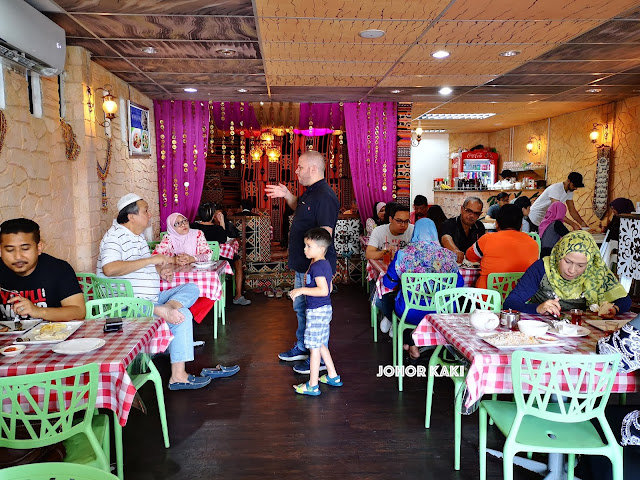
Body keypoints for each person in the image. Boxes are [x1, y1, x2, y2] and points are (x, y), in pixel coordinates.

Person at [97, 193, 239, 391]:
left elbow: (144, 266)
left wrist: (160, 271)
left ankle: (168, 309)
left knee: (192, 288)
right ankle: (178, 375)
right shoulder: (115, 236)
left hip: (151, 298)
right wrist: (151, 261)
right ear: (131, 216)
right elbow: (109, 269)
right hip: (129, 304)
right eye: (145, 210)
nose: (150, 214)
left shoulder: (136, 237)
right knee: (184, 314)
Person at [266, 151, 340, 375]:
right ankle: (304, 347)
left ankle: (316, 357)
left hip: (314, 267)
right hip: (304, 263)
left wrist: (314, 270)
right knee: (301, 308)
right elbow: (298, 205)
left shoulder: (325, 196)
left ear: (313, 169)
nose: (296, 171)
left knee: (315, 312)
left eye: (299, 167)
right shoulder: (310, 193)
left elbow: (325, 236)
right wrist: (288, 194)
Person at [375, 218, 462, 347]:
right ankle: (434, 347)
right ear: (435, 233)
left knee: (387, 299)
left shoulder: (403, 254)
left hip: (410, 312)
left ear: (415, 233)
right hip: (442, 312)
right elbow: (458, 286)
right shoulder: (448, 256)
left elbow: (389, 284)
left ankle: (409, 341)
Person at [503, 230, 631, 316]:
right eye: (568, 261)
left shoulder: (595, 272)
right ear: (559, 255)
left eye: (581, 265)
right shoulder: (542, 268)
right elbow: (510, 303)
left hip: (581, 332)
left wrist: (614, 309)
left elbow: (624, 300)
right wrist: (538, 308)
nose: (572, 270)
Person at [289, 228, 342, 396]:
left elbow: (324, 290)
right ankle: (332, 376)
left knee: (313, 349)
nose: (305, 249)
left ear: (321, 248)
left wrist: (301, 290)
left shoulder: (318, 267)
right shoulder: (323, 264)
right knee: (320, 344)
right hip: (324, 310)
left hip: (317, 311)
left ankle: (312, 385)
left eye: (309, 246)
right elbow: (330, 286)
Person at [0, 218, 85, 322]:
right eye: (10, 250)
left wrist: (38, 311)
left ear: (39, 247)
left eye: (25, 249)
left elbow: (79, 311)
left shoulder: (59, 269)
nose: (18, 256)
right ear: (1, 250)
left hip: (52, 335)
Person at [189, 203, 250, 306]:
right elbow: (223, 240)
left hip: (196, 261)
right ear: (213, 216)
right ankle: (238, 295)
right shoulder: (218, 229)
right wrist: (222, 223)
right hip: (216, 261)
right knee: (237, 261)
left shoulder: (193, 227)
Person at [465, 204, 539, 289]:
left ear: (496, 224)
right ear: (521, 226)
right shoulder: (533, 244)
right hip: (521, 298)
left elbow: (469, 256)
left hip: (487, 299)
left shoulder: (487, 239)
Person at [439, 197, 486, 264]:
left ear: (480, 215)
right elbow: (445, 238)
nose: (472, 215)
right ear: (462, 209)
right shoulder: (449, 223)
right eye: (469, 211)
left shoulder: (479, 226)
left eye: (476, 213)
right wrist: (455, 251)